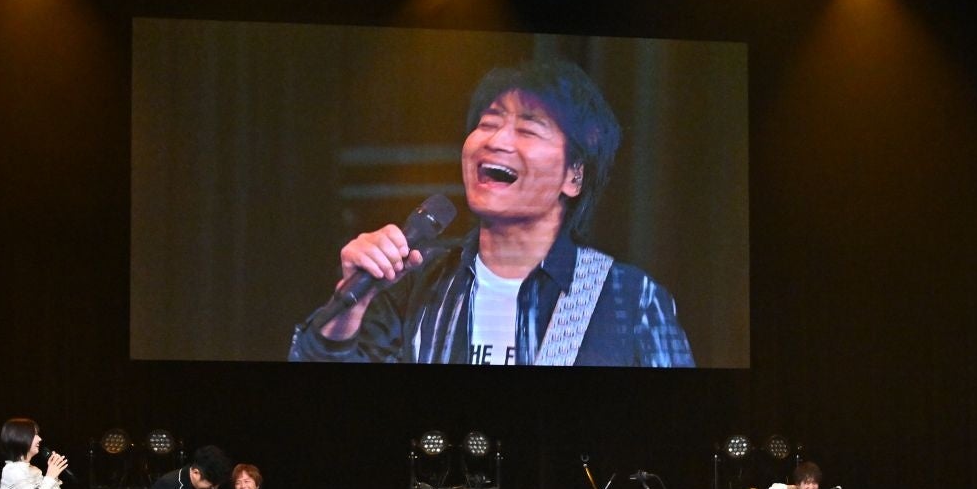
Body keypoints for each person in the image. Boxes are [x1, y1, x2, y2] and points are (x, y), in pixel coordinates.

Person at [289, 57, 695, 367]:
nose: (496, 141)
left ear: (574, 175)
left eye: (528, 129)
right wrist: (350, 307)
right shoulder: (414, 281)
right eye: (488, 123)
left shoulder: (630, 298)